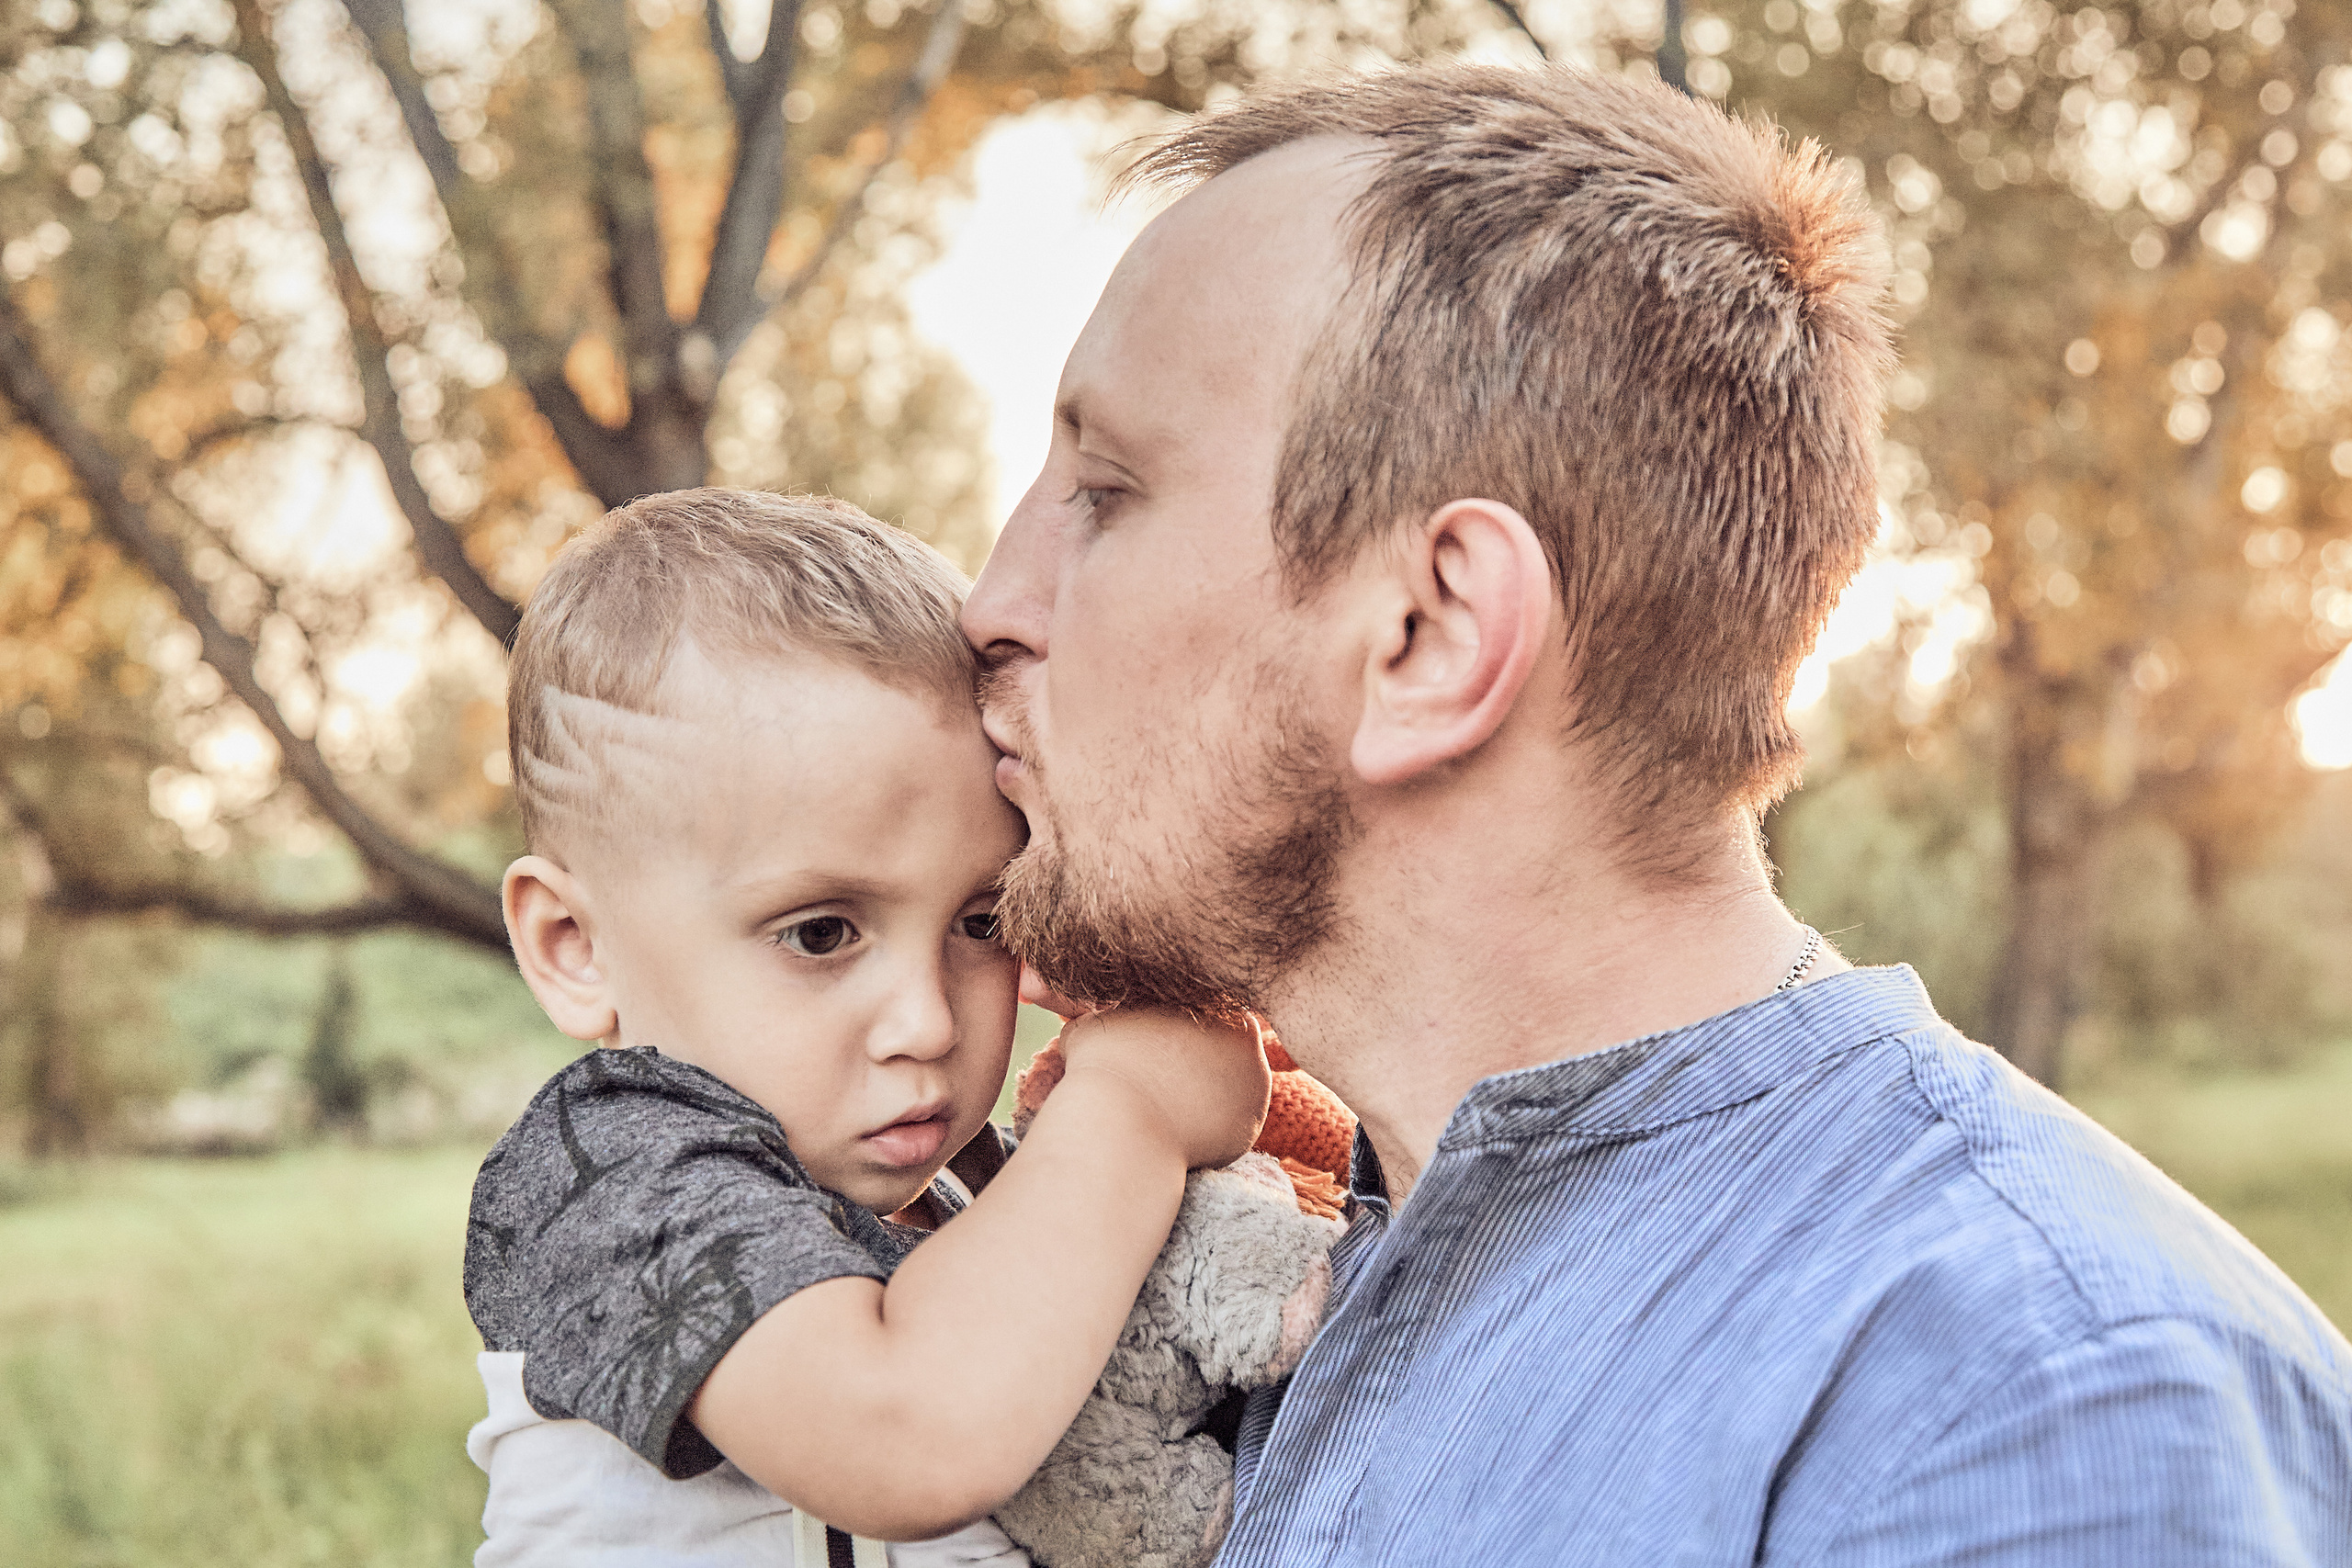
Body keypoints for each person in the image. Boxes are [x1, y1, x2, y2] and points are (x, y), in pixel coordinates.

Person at [961, 63, 2352, 1564]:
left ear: (1429, 636)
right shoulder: (1267, 1262)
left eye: (1106, 488)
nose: (991, 603)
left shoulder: (2037, 1406)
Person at [461, 489, 1268, 1565]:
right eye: (821, 933)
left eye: (983, 921)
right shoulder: (607, 1180)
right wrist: (1131, 1111)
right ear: (574, 945)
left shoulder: (970, 1189)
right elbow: (908, 1439)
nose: (928, 1020)